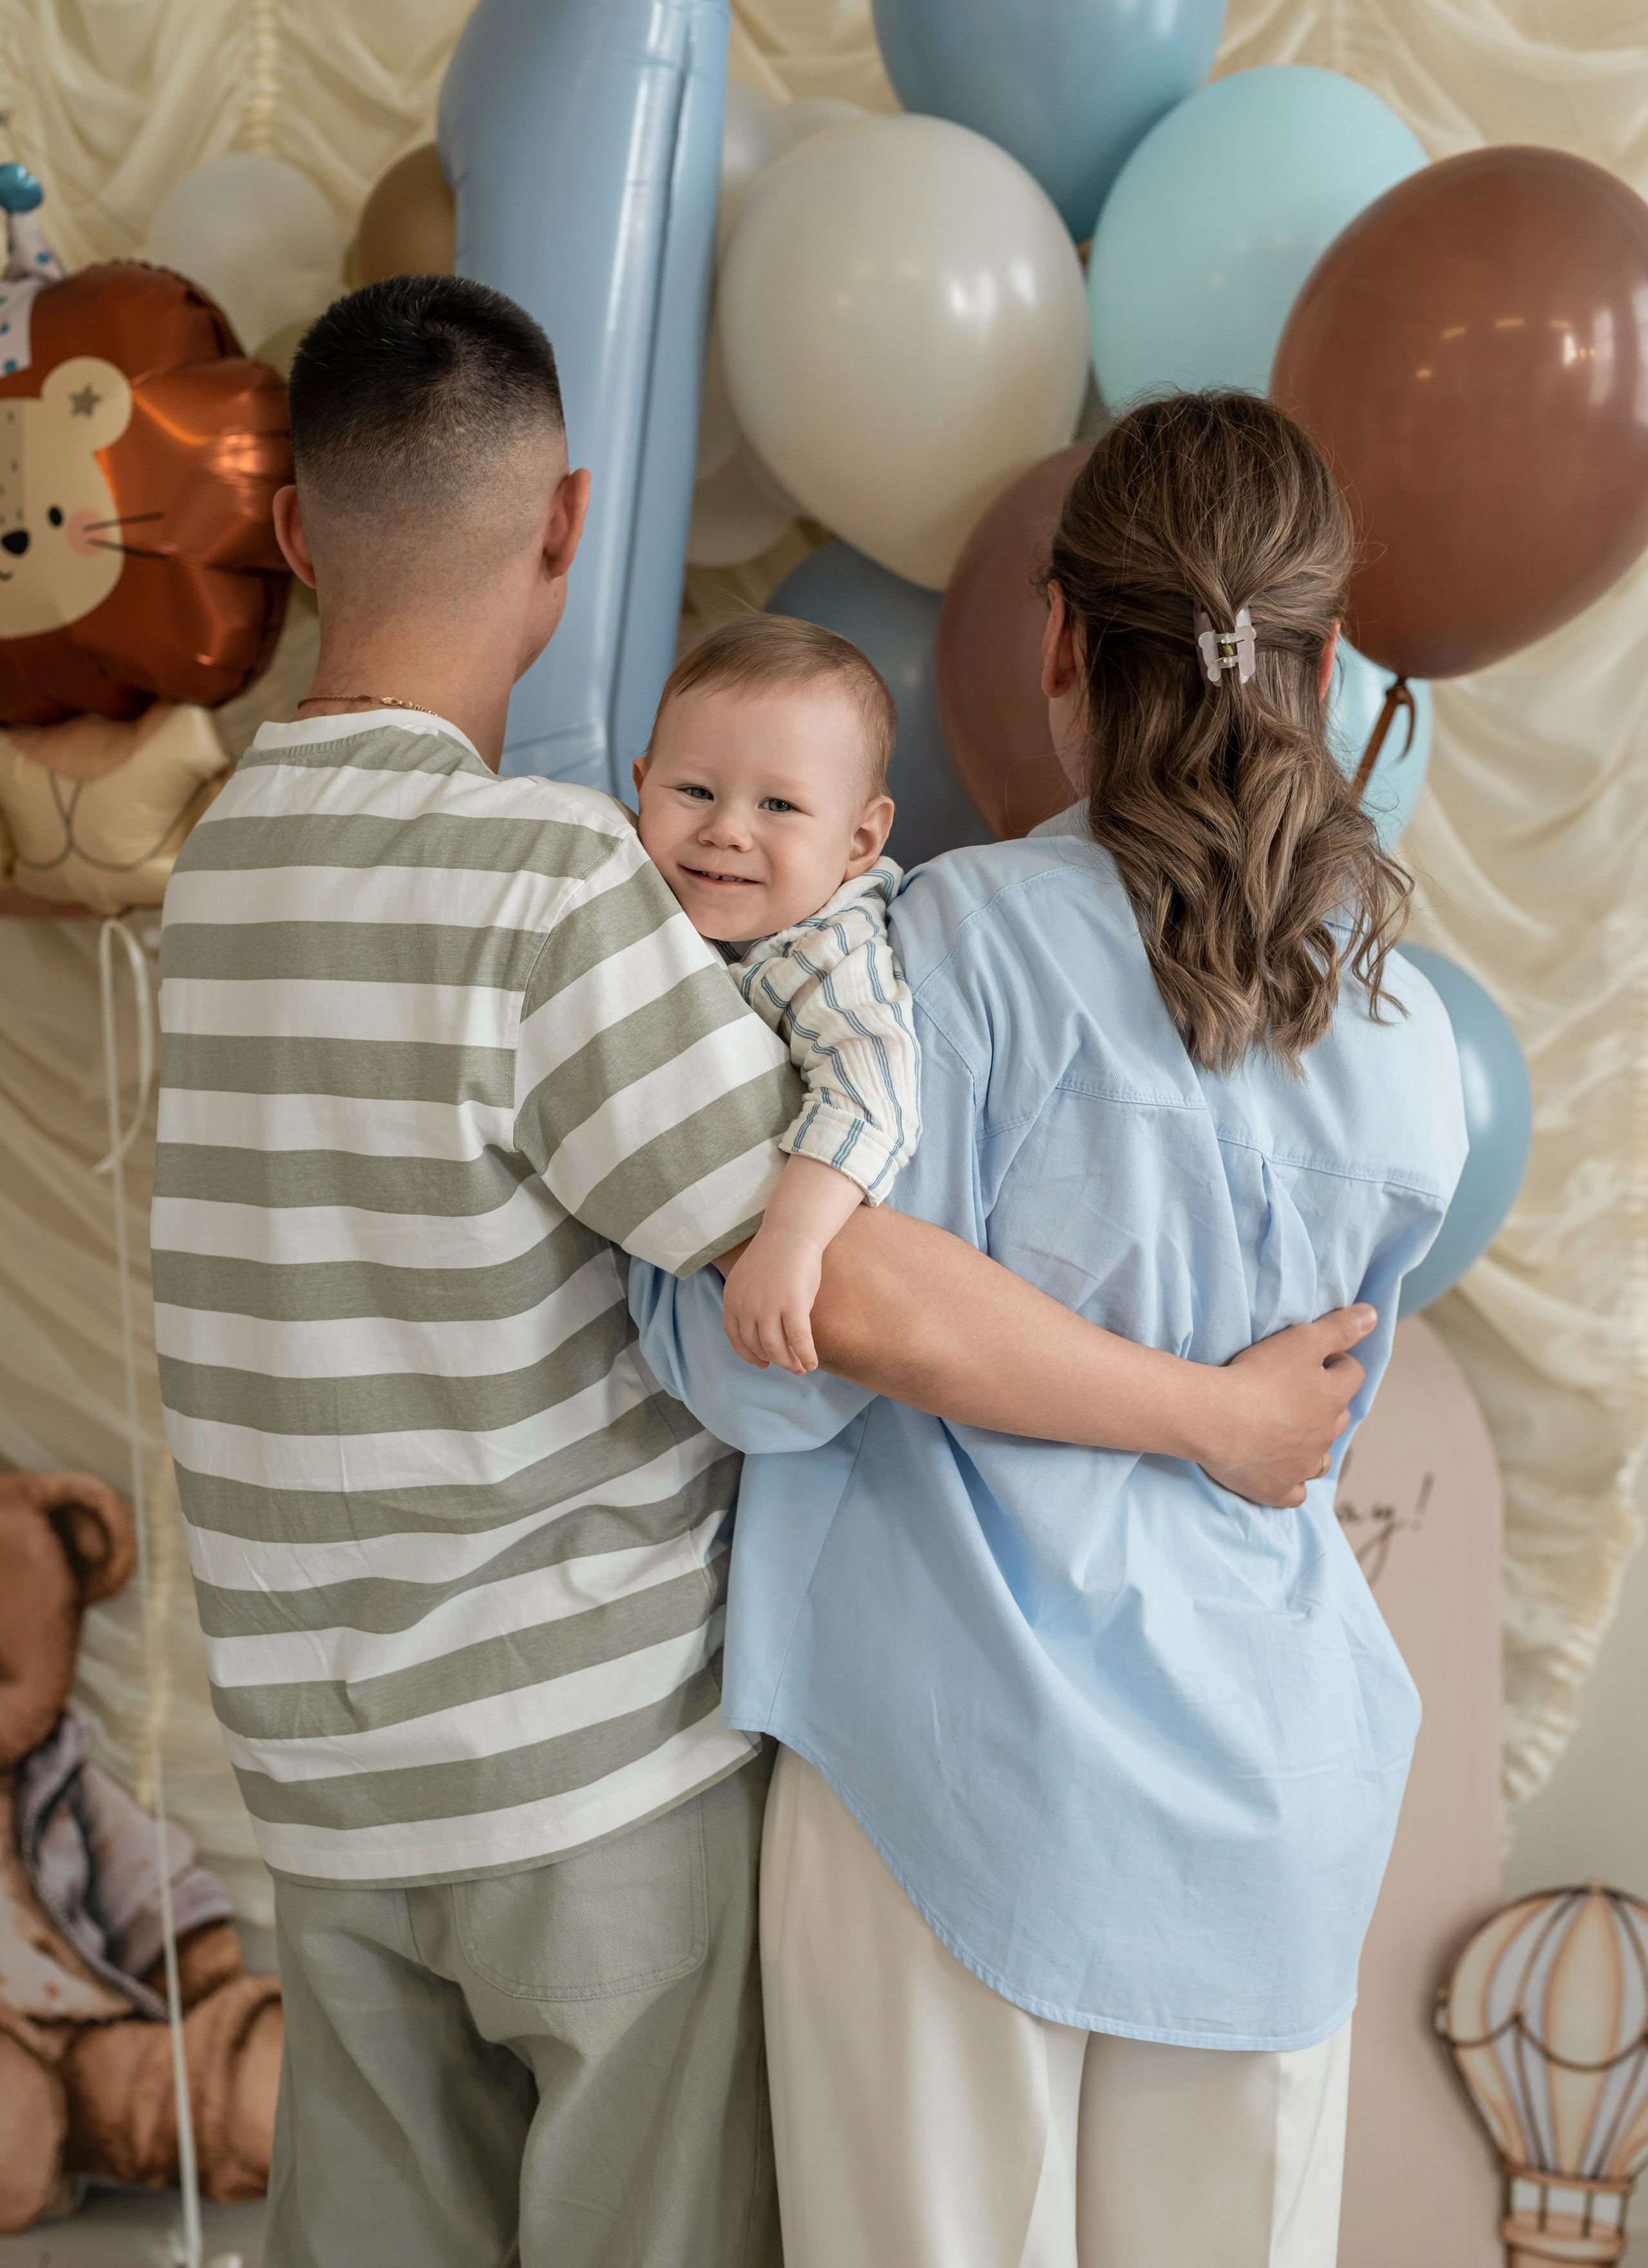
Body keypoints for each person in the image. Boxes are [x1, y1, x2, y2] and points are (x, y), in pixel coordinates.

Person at [151, 280, 1373, 2268]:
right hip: (580, 1784)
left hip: (325, 1783)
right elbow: (842, 1282)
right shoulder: (546, 886)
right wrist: (1215, 1415)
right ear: (565, 524)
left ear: (289, 533)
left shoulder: (215, 870)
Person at [632, 391, 1469, 2268]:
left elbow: (773, 1380)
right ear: (1324, 668)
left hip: (944, 1786)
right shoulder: (1411, 1052)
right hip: (1264, 1798)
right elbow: (1293, 1434)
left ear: (1059, 643)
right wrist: (1200, 1416)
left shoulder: (938, 943)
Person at [634, 612, 916, 1377]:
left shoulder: (826, 947)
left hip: (806, 1291)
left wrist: (788, 1243)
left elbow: (872, 1086)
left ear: (859, 842)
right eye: (693, 790)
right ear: (639, 786)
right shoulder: (633, 886)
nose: (726, 830)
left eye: (778, 806)